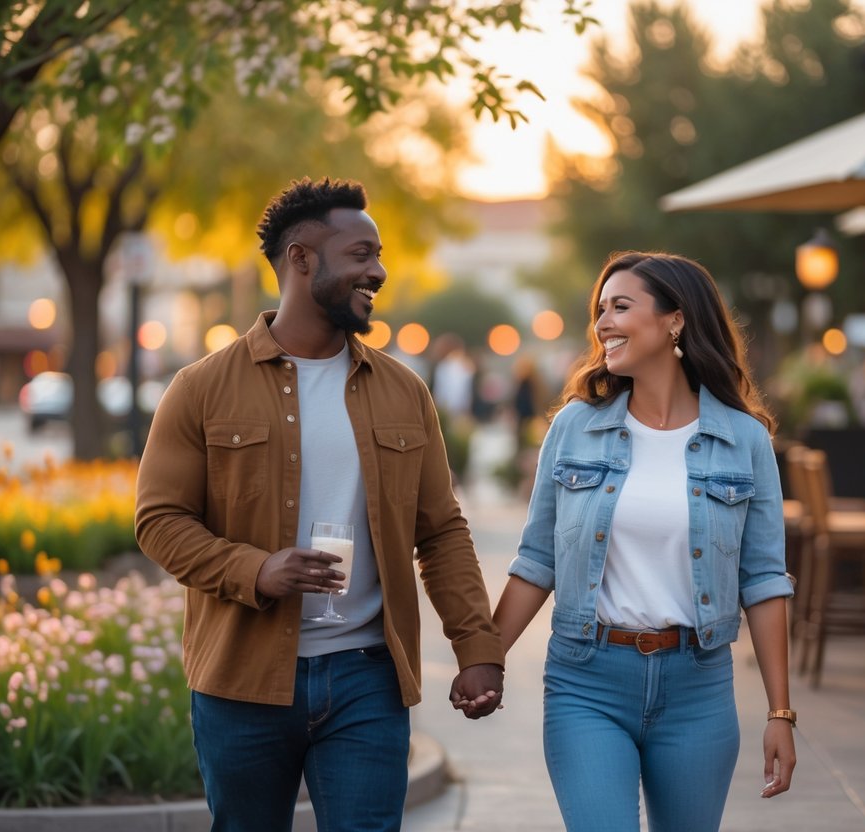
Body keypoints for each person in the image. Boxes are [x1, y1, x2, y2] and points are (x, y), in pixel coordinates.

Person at [136, 176, 505, 832]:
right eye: (361, 255)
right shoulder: (198, 389)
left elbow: (441, 530)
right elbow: (160, 521)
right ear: (301, 259)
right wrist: (256, 570)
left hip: (367, 678)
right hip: (240, 681)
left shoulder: (402, 392)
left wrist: (475, 644)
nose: (379, 271)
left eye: (379, 255)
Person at [489, 251, 796, 832]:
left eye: (621, 307)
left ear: (674, 320)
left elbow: (764, 579)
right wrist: (486, 658)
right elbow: (537, 560)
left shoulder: (743, 439)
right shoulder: (574, 428)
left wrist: (780, 712)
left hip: (698, 689)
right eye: (600, 309)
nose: (603, 322)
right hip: (587, 681)